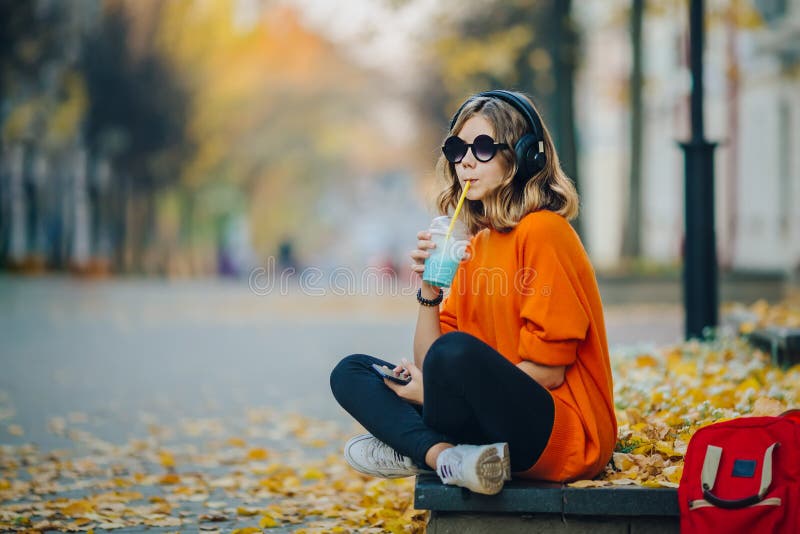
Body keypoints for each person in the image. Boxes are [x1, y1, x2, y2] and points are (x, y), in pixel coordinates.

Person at [329, 90, 617, 495]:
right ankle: (447, 457)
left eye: (482, 147)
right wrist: (429, 290)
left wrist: (431, 393)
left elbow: (548, 373)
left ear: (523, 156)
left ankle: (415, 445)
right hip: (490, 427)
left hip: (560, 436)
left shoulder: (544, 231)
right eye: (456, 148)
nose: (465, 160)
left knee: (455, 354)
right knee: (353, 371)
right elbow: (430, 361)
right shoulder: (472, 243)